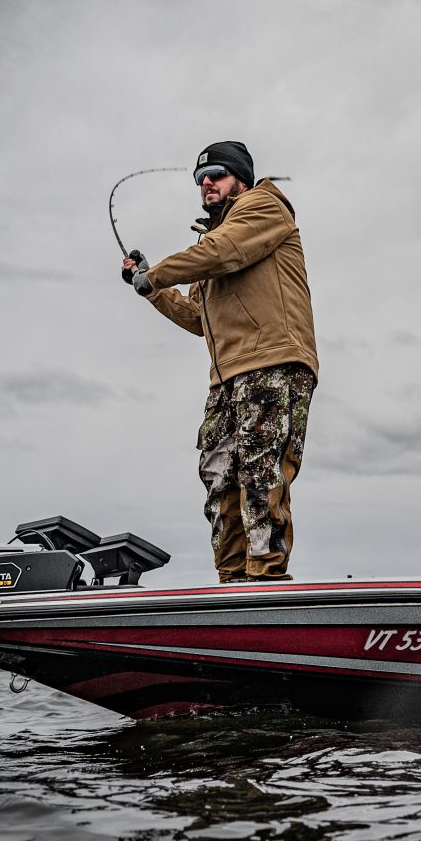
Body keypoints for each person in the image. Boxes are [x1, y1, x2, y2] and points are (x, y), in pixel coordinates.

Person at [122, 141, 318, 582]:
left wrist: (157, 273)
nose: (206, 182)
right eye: (200, 178)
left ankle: (265, 578)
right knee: (219, 477)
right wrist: (152, 288)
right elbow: (198, 318)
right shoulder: (211, 245)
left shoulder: (263, 208)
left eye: (216, 174)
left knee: (259, 471)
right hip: (226, 375)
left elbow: (221, 252)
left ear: (240, 179)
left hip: (272, 361)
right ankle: (232, 583)